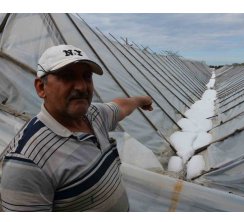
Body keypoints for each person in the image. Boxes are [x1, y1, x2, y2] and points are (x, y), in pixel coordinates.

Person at [0, 44, 153, 211]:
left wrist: (142, 100)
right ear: (41, 87)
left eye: (87, 76)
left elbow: (121, 106)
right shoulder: (27, 162)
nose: (81, 87)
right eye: (67, 76)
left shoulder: (95, 115)